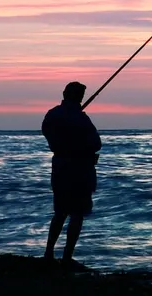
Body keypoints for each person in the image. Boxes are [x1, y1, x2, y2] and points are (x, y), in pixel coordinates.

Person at [42, 81, 102, 264]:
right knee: (77, 214)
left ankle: (49, 253)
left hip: (60, 169)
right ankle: (67, 256)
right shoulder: (81, 118)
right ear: (79, 97)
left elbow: (47, 133)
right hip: (80, 171)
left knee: (60, 212)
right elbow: (96, 143)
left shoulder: (52, 115)